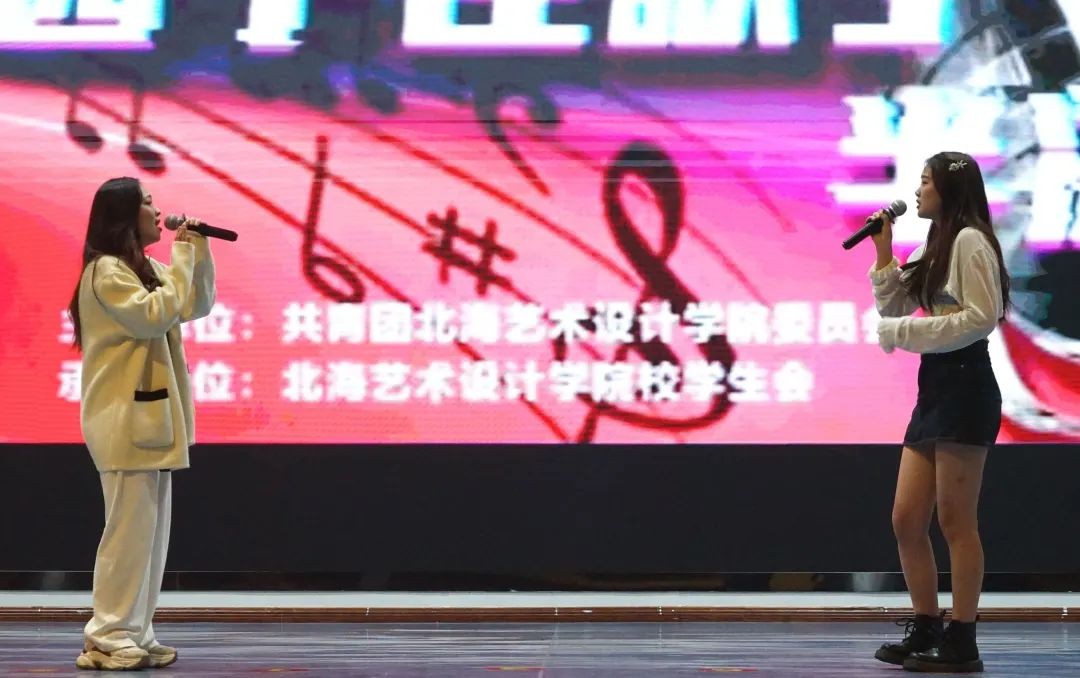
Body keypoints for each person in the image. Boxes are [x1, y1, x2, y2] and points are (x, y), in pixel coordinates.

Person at [866, 152, 1009, 674]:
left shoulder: (970, 241)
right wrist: (884, 249)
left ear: (949, 189)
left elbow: (980, 317)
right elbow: (894, 307)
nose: (917, 191)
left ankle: (962, 637)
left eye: (925, 181)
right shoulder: (935, 242)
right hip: (935, 388)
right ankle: (926, 625)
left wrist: (903, 334)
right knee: (907, 519)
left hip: (967, 386)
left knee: (954, 519)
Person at [67, 177, 216, 671]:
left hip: (149, 421)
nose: (158, 211)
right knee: (128, 536)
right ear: (124, 215)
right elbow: (153, 315)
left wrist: (197, 252)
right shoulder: (106, 271)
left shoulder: (144, 268)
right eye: (148, 203)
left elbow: (191, 304)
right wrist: (183, 256)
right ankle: (107, 634)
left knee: (150, 539)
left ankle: (135, 630)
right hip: (122, 419)